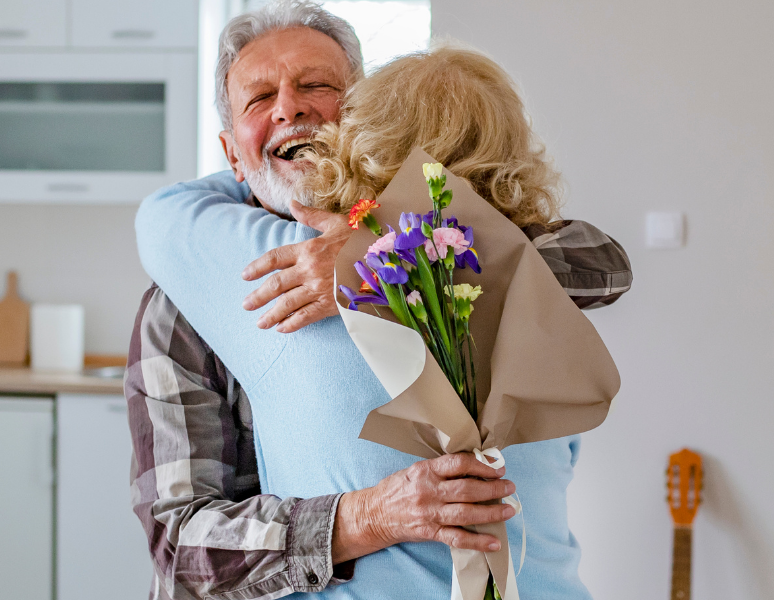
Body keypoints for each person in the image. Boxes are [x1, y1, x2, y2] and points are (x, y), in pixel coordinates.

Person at [125, 3, 631, 599]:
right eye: (259, 99)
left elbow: (600, 262)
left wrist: (378, 253)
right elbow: (181, 545)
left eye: (316, 85)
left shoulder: (464, 233)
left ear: (365, 116)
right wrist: (371, 517)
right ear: (232, 154)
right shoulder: (186, 295)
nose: (289, 107)